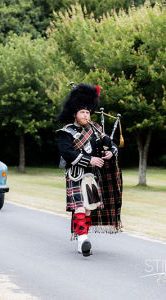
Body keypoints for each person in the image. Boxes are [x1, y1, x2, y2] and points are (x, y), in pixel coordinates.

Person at [57, 83, 122, 257]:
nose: (86, 115)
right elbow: (66, 153)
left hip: (92, 176)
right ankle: (82, 239)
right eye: (82, 112)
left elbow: (112, 144)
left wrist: (110, 153)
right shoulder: (66, 132)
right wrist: (90, 160)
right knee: (79, 208)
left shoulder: (95, 131)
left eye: (87, 112)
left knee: (88, 209)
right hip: (76, 175)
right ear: (75, 114)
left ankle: (81, 241)